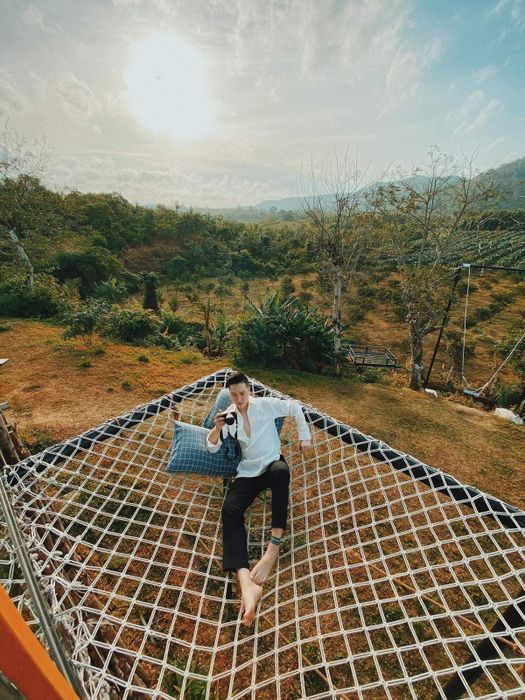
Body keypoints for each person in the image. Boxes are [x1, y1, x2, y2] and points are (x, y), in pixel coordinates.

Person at [206, 371, 311, 625]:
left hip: (272, 463)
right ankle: (247, 585)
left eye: (242, 393)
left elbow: (294, 407)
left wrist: (304, 435)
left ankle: (271, 552)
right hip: (249, 472)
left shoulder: (264, 406)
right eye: (234, 395)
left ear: (249, 390)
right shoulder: (229, 417)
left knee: (281, 472)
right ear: (229, 395)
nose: (239, 399)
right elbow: (212, 446)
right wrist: (217, 427)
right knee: (229, 510)